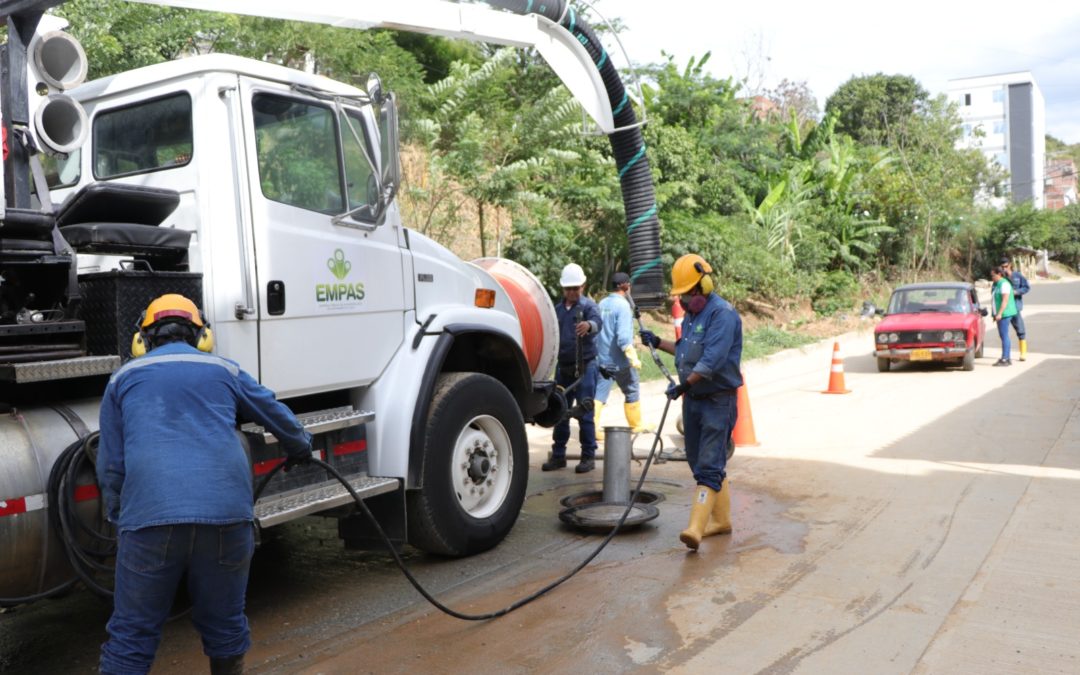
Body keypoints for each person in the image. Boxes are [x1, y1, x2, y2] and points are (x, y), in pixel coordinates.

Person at [97, 294, 313, 675]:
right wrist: (300, 447)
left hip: (149, 520)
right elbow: (279, 416)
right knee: (225, 625)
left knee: (132, 636)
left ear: (142, 339)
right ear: (202, 336)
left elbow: (112, 466)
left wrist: (121, 517)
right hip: (226, 519)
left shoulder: (122, 378)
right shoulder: (226, 370)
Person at [639, 254, 742, 551]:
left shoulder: (722, 315)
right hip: (694, 400)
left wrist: (684, 384)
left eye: (684, 295)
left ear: (701, 288)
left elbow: (711, 361)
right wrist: (658, 342)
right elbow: (685, 351)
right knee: (699, 464)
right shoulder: (694, 315)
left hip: (717, 401)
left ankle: (695, 528)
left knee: (710, 464)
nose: (681, 301)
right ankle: (721, 521)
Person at [545, 263, 601, 474]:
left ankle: (588, 456)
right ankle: (558, 455)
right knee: (559, 410)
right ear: (562, 289)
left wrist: (589, 326)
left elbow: (597, 323)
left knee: (585, 410)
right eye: (568, 289)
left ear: (583, 286)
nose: (572, 292)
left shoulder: (589, 307)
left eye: (575, 288)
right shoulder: (557, 310)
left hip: (586, 366)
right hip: (564, 368)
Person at [594, 272, 646, 440]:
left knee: (599, 394)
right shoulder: (623, 306)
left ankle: (592, 429)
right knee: (632, 388)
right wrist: (633, 357)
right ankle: (636, 425)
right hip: (620, 361)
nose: (630, 287)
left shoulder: (601, 304)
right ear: (624, 286)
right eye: (629, 285)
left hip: (602, 359)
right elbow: (623, 337)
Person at [1000, 257, 1030, 361]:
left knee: (1020, 330)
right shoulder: (1001, 278)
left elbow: (1026, 287)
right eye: (1002, 267)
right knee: (1004, 332)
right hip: (1005, 308)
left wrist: (1016, 292)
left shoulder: (1018, 276)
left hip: (1015, 308)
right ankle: (1005, 355)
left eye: (1006, 266)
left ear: (1010, 265)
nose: (1004, 269)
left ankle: (1023, 353)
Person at [989, 266, 1017, 366]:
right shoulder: (997, 284)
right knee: (1003, 335)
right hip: (1001, 314)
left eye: (993, 275)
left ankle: (1005, 358)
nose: (992, 277)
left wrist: (999, 313)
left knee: (1004, 336)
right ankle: (1007, 358)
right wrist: (995, 314)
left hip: (1005, 313)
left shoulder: (1004, 284)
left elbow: (1005, 300)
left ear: (999, 274)